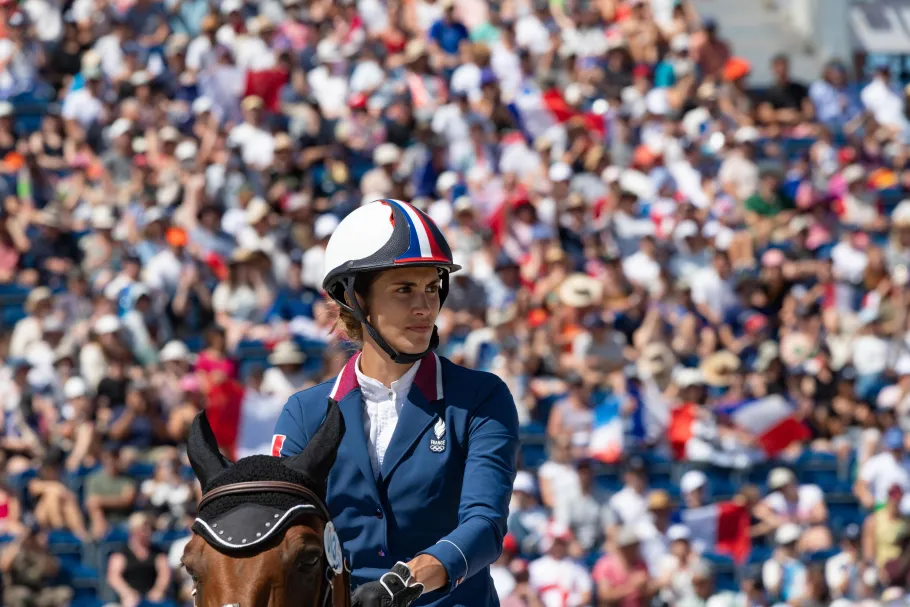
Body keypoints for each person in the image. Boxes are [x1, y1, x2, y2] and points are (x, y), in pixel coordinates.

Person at [273, 199, 520, 607]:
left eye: (431, 288)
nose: (424, 307)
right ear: (354, 298)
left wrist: (404, 581)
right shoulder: (304, 413)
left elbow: (485, 524)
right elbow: (285, 533)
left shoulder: (482, 397)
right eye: (404, 289)